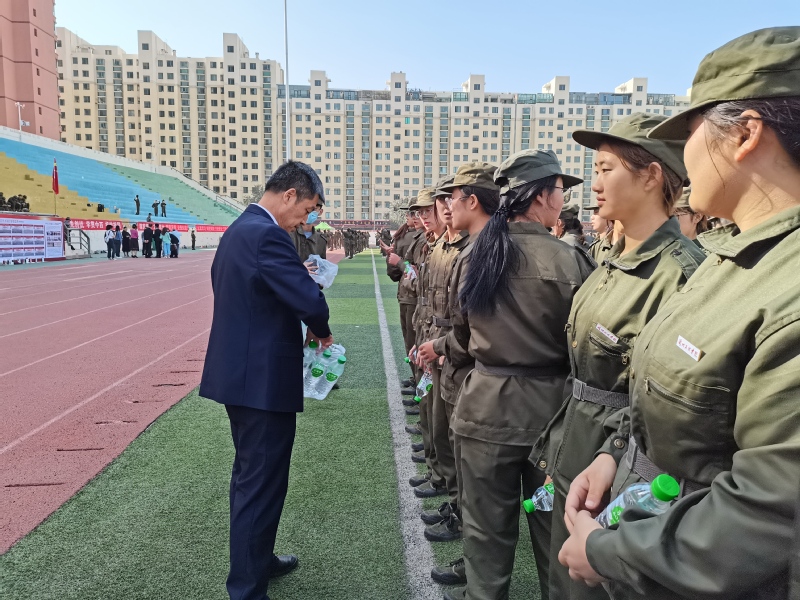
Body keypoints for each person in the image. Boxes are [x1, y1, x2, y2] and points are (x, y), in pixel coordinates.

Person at [558, 27, 800, 600]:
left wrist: (610, 553)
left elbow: (770, 511)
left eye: (690, 133)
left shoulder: (783, 286)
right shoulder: (735, 259)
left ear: (745, 134)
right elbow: (661, 401)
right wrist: (615, 454)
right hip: (651, 533)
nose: (683, 157)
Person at [532, 112, 705, 600]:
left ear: (651, 176)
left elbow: (666, 399)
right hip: (575, 447)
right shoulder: (609, 260)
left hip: (621, 466)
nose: (595, 183)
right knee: (561, 581)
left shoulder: (680, 275)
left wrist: (612, 453)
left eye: (607, 169)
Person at [444, 150, 590, 600]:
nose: (561, 201)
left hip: (485, 410)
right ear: (542, 196)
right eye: (560, 191)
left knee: (485, 534)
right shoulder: (570, 260)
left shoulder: (476, 254)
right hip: (554, 417)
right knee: (555, 540)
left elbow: (461, 335)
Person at [200, 161, 333, 600]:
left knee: (253, 479)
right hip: (260, 381)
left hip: (241, 375)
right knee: (259, 485)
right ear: (290, 194)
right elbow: (309, 300)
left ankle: (257, 559)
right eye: (308, 209)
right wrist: (321, 327)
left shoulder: (240, 230)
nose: (305, 220)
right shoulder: (266, 235)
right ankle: (247, 588)